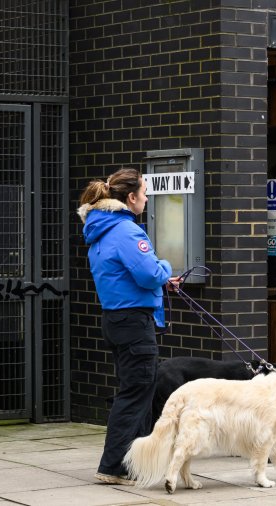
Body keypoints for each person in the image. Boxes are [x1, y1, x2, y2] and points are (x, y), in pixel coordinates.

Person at [77, 167, 178, 486]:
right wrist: (166, 268)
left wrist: (159, 278)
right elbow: (149, 273)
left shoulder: (101, 229)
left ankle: (136, 463)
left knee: (137, 390)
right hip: (134, 322)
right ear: (131, 197)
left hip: (116, 319)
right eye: (145, 194)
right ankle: (115, 465)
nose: (147, 199)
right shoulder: (125, 230)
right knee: (136, 392)